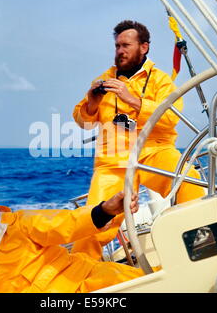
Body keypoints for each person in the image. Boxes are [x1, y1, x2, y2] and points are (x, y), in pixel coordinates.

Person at [72, 20, 205, 259]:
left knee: (190, 183)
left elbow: (171, 117)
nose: (120, 51)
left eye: (125, 45)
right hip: (113, 161)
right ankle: (83, 278)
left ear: (144, 47)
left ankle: (201, 251)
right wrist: (92, 103)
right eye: (117, 46)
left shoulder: (160, 80)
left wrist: (131, 99)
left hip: (154, 151)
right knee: (91, 223)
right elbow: (84, 122)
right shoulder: (103, 80)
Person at [0, 178, 156, 293]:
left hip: (83, 282)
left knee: (153, 285)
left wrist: (106, 210)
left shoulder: (19, 224)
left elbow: (65, 224)